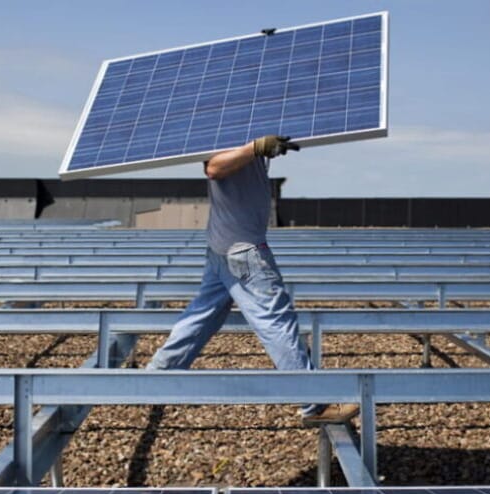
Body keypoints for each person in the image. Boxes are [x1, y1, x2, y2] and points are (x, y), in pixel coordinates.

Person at [146, 134, 360, 425]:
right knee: (276, 320)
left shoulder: (244, 123)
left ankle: (158, 375)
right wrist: (254, 148)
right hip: (242, 249)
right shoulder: (227, 128)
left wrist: (262, 150)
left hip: (222, 246)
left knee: (203, 313)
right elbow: (214, 168)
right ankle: (314, 403)